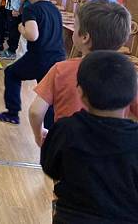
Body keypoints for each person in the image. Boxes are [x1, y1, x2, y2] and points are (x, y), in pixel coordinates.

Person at [41, 51, 138, 223]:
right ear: (132, 96)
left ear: (80, 92)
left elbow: (50, 167)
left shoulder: (65, 129)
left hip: (71, 218)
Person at [29, 0, 135, 147]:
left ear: (84, 37)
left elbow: (36, 111)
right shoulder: (127, 74)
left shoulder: (60, 69)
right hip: (110, 149)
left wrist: (39, 134)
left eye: (75, 25)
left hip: (68, 147)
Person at [0, 0, 65, 125]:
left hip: (38, 58)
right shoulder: (55, 10)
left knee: (11, 73)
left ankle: (12, 113)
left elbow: (32, 35)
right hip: (58, 59)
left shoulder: (31, 9)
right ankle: (51, 129)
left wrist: (21, 28)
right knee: (47, 94)